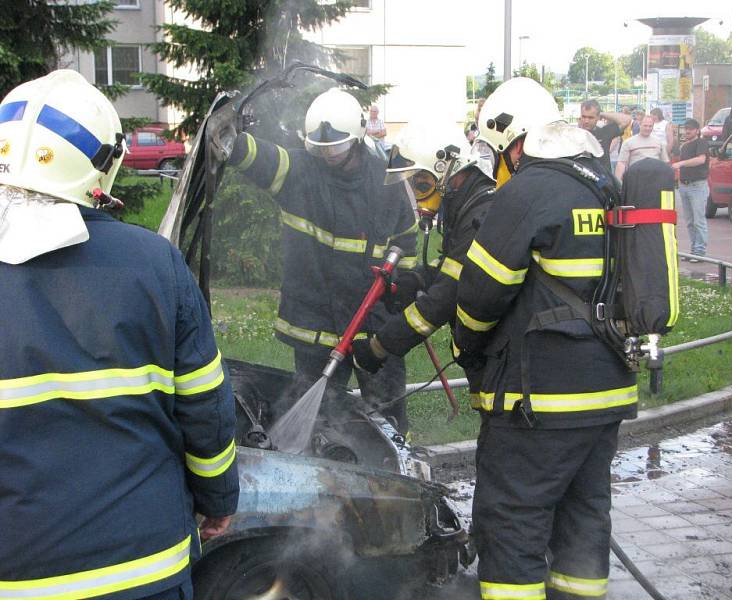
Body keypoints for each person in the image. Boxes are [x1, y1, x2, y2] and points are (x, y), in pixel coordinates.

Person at [0, 70, 239, 599]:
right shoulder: (153, 263)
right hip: (143, 570)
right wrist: (219, 499)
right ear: (103, 165)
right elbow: (204, 407)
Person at [453, 76, 638, 600]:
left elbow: (480, 297)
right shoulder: (605, 185)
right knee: (584, 519)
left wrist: (465, 348)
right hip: (606, 395)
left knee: (514, 521)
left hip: (541, 403)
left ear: (515, 142)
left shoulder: (527, 192)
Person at [226, 88, 417, 434]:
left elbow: (407, 242)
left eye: (335, 148)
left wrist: (399, 292)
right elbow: (264, 158)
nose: (328, 156)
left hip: (372, 326)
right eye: (321, 148)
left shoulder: (387, 181)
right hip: (316, 324)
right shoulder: (300, 172)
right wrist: (232, 142)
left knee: (387, 416)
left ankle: (396, 475)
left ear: (357, 138)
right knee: (317, 419)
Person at [350, 122, 495, 406]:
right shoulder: (467, 207)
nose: (418, 196)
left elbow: (444, 300)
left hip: (501, 360)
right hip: (489, 358)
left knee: (500, 440)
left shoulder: (480, 215)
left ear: (445, 170)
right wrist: (417, 280)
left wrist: (379, 347)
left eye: (421, 184)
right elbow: (454, 270)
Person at [672, 118, 709, 261]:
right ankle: (694, 249)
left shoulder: (701, 143)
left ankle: (700, 251)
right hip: (684, 185)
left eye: (691, 129)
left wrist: (681, 164)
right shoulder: (684, 145)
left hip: (697, 185)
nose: (687, 131)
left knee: (699, 220)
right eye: (686, 128)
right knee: (689, 220)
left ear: (697, 130)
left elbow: (701, 159)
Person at [577, 98, 632, 173]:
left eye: (591, 117)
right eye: (584, 117)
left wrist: (602, 114)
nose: (586, 121)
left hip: (604, 180)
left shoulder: (604, 132)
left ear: (598, 117)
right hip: (581, 181)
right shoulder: (573, 135)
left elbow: (627, 120)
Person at [615, 114, 669, 180]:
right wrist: (618, 184)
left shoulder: (659, 142)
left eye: (650, 126)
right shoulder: (628, 142)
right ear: (640, 124)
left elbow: (665, 163)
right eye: (645, 126)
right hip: (635, 180)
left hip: (655, 180)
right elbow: (621, 163)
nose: (647, 128)